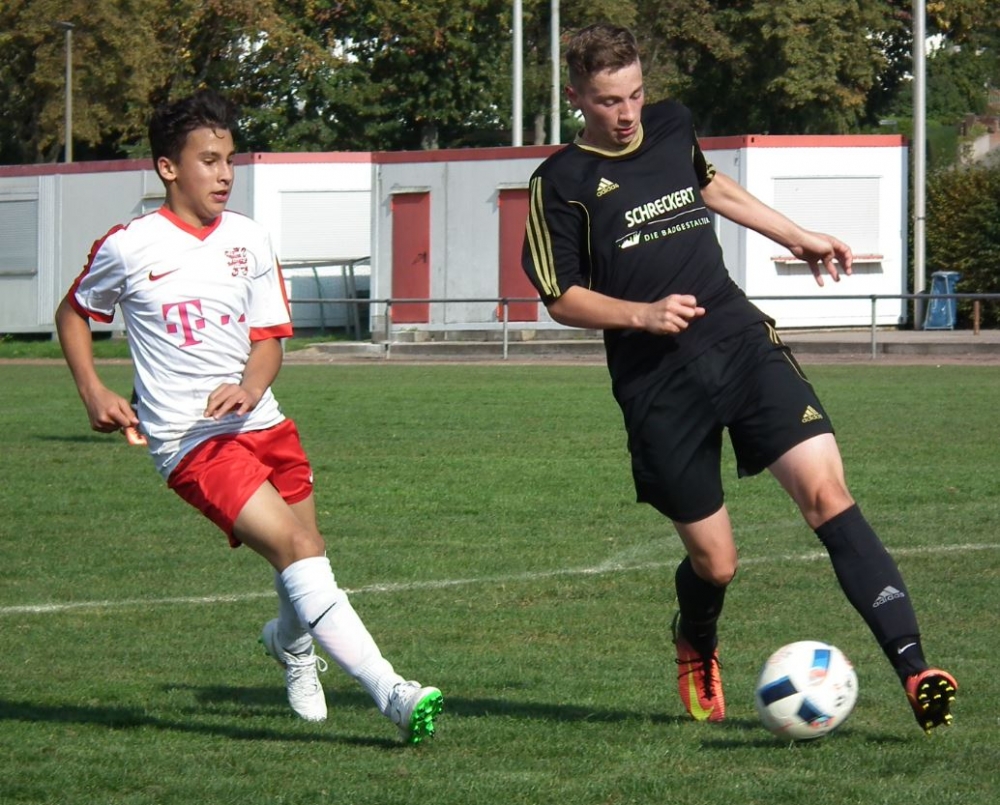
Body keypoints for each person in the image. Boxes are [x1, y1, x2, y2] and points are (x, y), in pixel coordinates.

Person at [521, 22, 957, 734]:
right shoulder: (559, 183)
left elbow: (710, 185)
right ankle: (696, 637)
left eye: (635, 94)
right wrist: (641, 314)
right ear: (576, 98)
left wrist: (797, 235)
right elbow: (559, 296)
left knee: (828, 493)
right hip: (657, 383)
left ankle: (915, 669)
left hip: (737, 339)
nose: (627, 114)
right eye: (608, 101)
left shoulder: (672, 126)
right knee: (716, 563)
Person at [55, 89, 442, 744]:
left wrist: (247, 385)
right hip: (191, 442)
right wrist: (92, 389)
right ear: (168, 168)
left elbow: (268, 341)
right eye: (208, 161)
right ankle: (393, 691)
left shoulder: (250, 238)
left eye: (229, 159)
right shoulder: (128, 245)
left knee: (307, 553)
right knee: (297, 548)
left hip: (264, 422)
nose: (224, 174)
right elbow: (73, 312)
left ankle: (291, 645)